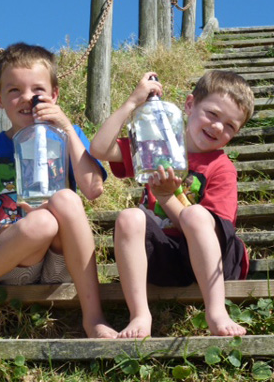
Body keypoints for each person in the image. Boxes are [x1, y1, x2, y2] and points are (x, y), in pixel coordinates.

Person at [0, 42, 117, 340]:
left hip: (63, 265)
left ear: (54, 96)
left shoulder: (69, 136)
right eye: (14, 91)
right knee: (42, 222)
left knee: (64, 199)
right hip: (14, 263)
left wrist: (65, 129)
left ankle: (93, 317)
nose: (28, 98)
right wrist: (20, 228)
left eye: (38, 90)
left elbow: (93, 189)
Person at [90, 69, 254, 339]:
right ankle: (140, 314)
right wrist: (133, 102)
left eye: (230, 126)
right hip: (163, 258)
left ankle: (216, 312)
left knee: (196, 216)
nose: (217, 127)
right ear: (189, 105)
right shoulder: (157, 147)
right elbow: (99, 148)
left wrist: (166, 197)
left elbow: (213, 232)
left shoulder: (222, 168)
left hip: (213, 262)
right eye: (212, 114)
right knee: (129, 217)